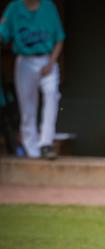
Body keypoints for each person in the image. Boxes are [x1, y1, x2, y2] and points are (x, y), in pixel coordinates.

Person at [0, 0, 65, 160]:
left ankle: (46, 143)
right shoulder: (14, 8)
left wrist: (51, 62)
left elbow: (59, 39)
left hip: (47, 59)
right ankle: (32, 149)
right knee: (27, 105)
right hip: (25, 60)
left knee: (51, 95)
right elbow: (3, 34)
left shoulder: (48, 7)